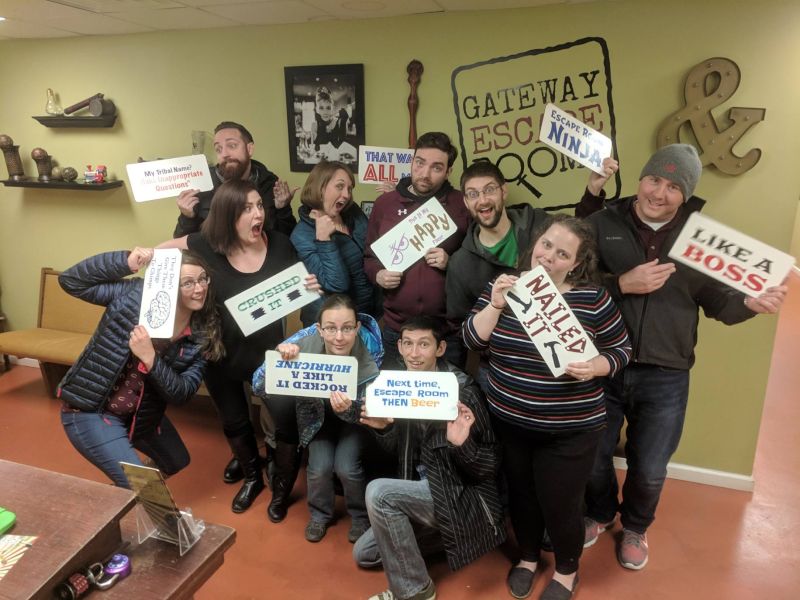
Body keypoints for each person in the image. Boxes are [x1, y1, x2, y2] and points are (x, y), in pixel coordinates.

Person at [581, 143, 788, 570]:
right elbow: (573, 284)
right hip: (603, 365)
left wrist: (748, 305)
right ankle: (599, 513)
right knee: (593, 456)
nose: (659, 193)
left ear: (686, 193)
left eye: (674, 186)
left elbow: (719, 301)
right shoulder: (603, 223)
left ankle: (635, 527)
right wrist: (622, 284)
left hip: (667, 373)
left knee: (650, 467)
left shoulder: (703, 239)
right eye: (654, 179)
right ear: (641, 179)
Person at [463, 215, 632, 600]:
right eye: (546, 245)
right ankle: (527, 557)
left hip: (570, 430)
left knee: (561, 505)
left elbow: (621, 349)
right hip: (510, 422)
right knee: (522, 496)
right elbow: (472, 338)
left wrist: (596, 366)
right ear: (535, 243)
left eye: (562, 254)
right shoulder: (505, 285)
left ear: (576, 263)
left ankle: (567, 571)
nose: (549, 256)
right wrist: (495, 305)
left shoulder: (593, 298)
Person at [160, 179, 321, 514]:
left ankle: (281, 491)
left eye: (259, 205)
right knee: (233, 420)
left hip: (270, 355)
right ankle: (252, 478)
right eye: (247, 208)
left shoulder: (280, 244)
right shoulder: (206, 244)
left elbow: (298, 288)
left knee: (286, 423)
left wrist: (308, 286)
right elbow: (160, 252)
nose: (257, 213)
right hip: (219, 352)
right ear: (228, 215)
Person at [355, 316, 505, 600]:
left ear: (440, 348)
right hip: (419, 489)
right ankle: (450, 536)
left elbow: (489, 466)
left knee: (379, 493)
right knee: (364, 554)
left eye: (423, 344)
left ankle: (415, 590)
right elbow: (396, 451)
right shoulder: (397, 388)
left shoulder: (464, 392)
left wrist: (462, 445)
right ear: (399, 347)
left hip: (457, 492)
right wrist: (384, 428)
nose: (414, 353)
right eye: (408, 344)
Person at [58, 248, 224, 488]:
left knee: (177, 460)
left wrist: (151, 359)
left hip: (140, 415)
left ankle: (128, 488)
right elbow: (71, 281)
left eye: (202, 279)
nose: (199, 289)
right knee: (144, 487)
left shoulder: (202, 332)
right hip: (91, 410)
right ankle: (136, 488)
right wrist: (125, 262)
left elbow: (182, 393)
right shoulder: (134, 295)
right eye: (188, 283)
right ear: (169, 285)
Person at [446, 160, 612, 390]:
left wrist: (593, 191)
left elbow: (577, 237)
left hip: (566, 379)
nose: (482, 200)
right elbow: (461, 328)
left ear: (504, 191)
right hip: (501, 372)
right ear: (466, 201)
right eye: (473, 194)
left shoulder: (539, 223)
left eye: (489, 190)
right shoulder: (460, 263)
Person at [252, 294, 382, 541]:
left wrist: (349, 409)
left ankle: (360, 516)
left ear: (357, 328)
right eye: (331, 328)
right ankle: (320, 515)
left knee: (347, 467)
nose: (339, 337)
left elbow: (370, 412)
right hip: (317, 421)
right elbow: (259, 385)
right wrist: (278, 360)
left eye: (347, 328)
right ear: (320, 329)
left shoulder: (370, 355)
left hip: (355, 423)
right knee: (319, 468)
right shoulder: (304, 343)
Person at [363, 131, 471, 369]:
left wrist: (451, 263)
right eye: (420, 163)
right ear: (412, 162)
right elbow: (369, 257)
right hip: (398, 330)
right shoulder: (385, 204)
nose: (425, 174)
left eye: (436, 167)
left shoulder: (461, 204)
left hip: (447, 332)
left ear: (448, 171)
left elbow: (477, 262)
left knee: (452, 391)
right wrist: (378, 275)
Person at [290, 161, 378, 326]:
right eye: (339, 186)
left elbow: (373, 250)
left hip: (366, 315)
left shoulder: (353, 213)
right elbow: (337, 284)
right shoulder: (301, 235)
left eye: (349, 189)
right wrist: (324, 240)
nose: (346, 194)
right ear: (320, 188)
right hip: (330, 326)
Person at [173, 121, 296, 238]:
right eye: (218, 149)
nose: (224, 154)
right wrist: (187, 217)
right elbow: (182, 242)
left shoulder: (270, 183)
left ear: (249, 149)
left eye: (232, 145)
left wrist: (283, 210)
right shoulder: (202, 185)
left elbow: (285, 240)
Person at [311, 86, 350, 150]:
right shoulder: (314, 125)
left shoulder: (339, 122)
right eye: (321, 108)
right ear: (317, 109)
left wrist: (343, 122)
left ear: (333, 109)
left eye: (328, 108)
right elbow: (315, 148)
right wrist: (322, 124)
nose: (325, 112)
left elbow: (343, 147)